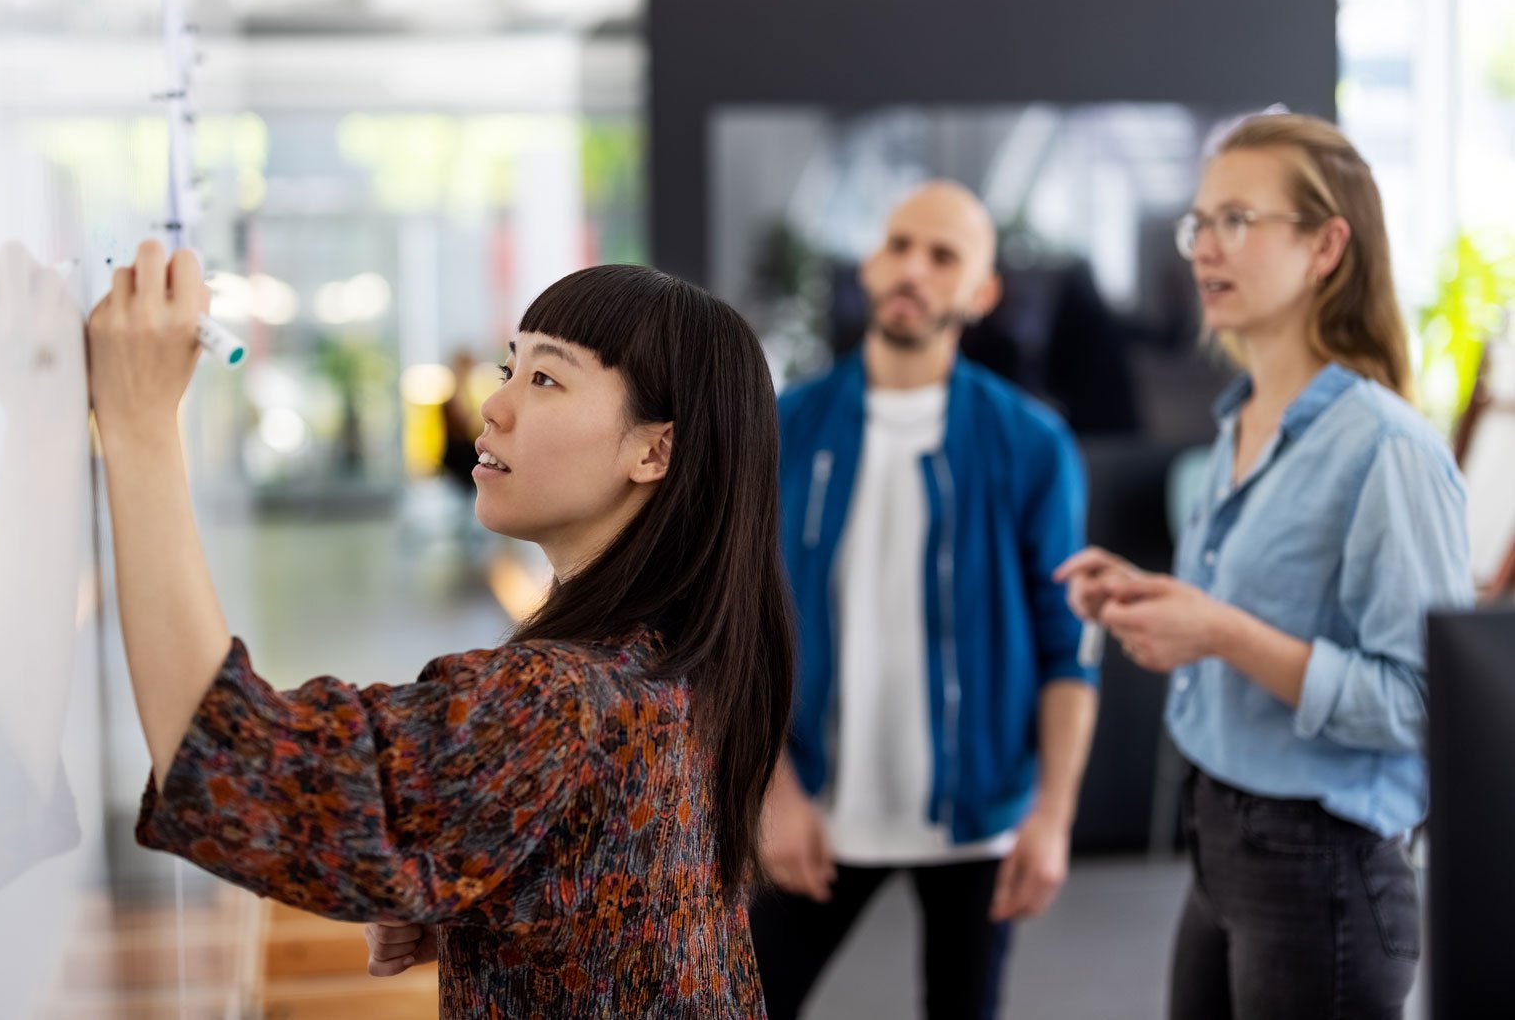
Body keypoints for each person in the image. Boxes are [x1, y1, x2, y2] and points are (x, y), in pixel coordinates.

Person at [84, 254, 795, 1018]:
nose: (493, 405)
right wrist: (493, 885)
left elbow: (227, 755)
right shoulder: (680, 655)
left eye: (546, 379)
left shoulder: (558, 700)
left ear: (654, 451)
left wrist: (139, 426)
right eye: (508, 368)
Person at [1057, 113, 1473, 1020]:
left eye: (1238, 220)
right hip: (1221, 834)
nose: (1205, 247)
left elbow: (1427, 704)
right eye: (1198, 223)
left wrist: (1222, 632)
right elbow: (1250, 617)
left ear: (1328, 244)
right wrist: (1159, 601)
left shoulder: (1387, 448)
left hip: (1321, 861)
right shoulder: (1239, 420)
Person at [752, 181, 1100, 1019]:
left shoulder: (1031, 444)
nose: (914, 267)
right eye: (900, 245)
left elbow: (1069, 645)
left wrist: (1051, 817)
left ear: (981, 293)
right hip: (816, 808)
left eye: (943, 256)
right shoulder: (784, 427)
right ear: (871, 264)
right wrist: (773, 789)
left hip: (978, 816)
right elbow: (739, 631)